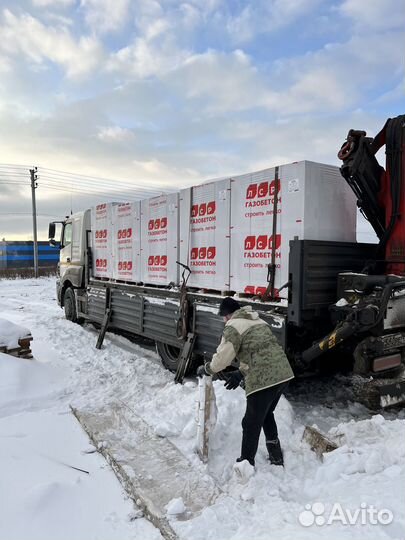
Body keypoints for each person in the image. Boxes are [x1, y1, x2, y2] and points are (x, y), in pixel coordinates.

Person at [197, 297, 294, 467]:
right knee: (266, 415)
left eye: (223, 317)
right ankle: (276, 455)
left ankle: (246, 464)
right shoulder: (258, 320)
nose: (223, 320)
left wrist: (208, 369)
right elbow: (257, 350)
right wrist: (241, 372)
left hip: (264, 378)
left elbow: (222, 358)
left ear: (227, 315)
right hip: (283, 374)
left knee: (250, 423)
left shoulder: (233, 326)